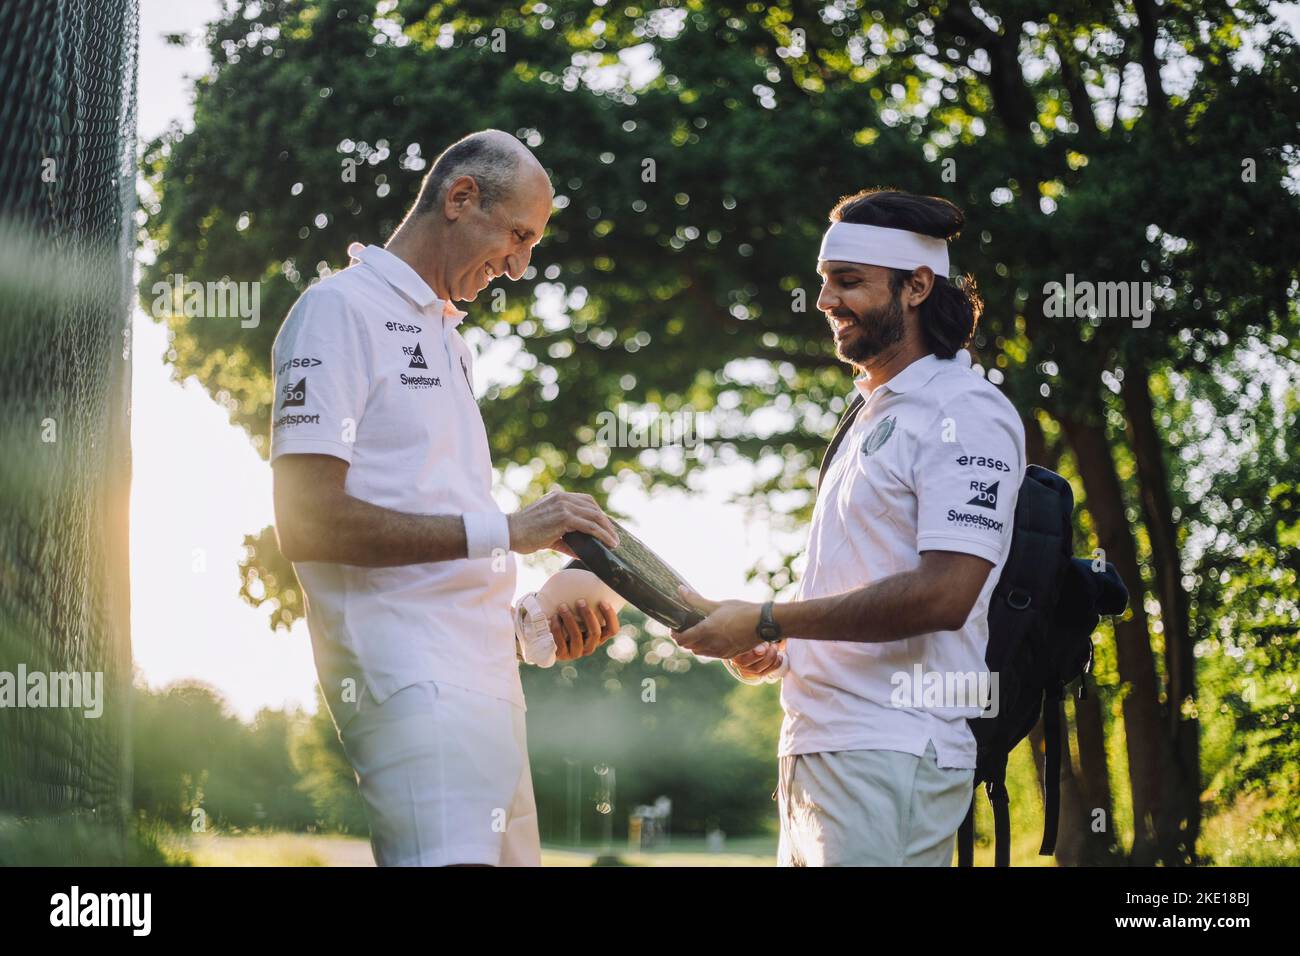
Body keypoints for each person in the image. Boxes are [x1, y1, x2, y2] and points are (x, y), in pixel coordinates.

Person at [270, 130, 621, 867]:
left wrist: (533, 615)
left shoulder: (450, 338)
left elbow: (448, 525)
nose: (521, 266)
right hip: (412, 687)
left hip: (488, 686)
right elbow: (307, 522)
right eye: (519, 236)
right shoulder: (337, 311)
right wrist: (509, 528)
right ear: (461, 198)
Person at [673, 189, 1025, 867]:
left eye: (849, 281)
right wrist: (781, 648)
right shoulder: (869, 414)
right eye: (824, 280)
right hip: (821, 747)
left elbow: (946, 594)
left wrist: (769, 618)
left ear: (917, 286)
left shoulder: (965, 410)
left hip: (891, 751)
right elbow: (864, 587)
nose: (824, 299)